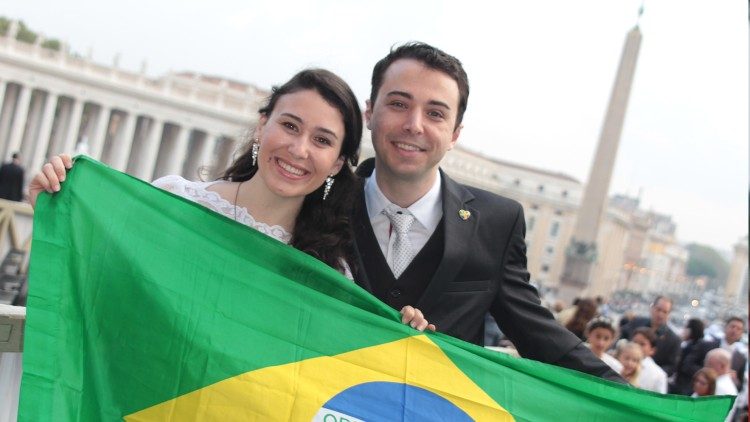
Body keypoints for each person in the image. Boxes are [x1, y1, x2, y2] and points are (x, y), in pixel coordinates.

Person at [29, 69, 433, 331]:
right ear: (262, 126)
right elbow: (98, 276)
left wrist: (400, 332)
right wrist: (54, 209)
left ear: (336, 164)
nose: (298, 149)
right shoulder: (175, 201)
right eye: (289, 126)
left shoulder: (328, 275)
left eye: (322, 140)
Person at [350, 42, 623, 383]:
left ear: (455, 134)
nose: (414, 124)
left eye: (435, 113)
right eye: (398, 104)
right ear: (369, 112)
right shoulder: (322, 202)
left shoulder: (497, 223)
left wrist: (642, 406)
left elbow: (542, 338)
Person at [620, 296, 681, 376]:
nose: (660, 314)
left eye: (665, 312)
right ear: (652, 308)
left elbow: (671, 367)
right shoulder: (636, 323)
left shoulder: (674, 340)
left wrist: (651, 373)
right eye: (658, 309)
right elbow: (620, 339)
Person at [669, 318, 713, 395]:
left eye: (686, 328)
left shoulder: (698, 346)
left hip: (686, 386)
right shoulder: (689, 344)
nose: (684, 330)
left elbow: (687, 365)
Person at [708, 316, 747, 390]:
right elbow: (688, 364)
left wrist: (734, 380)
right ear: (725, 327)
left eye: (738, 329)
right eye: (732, 326)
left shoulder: (741, 358)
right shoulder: (707, 345)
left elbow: (740, 386)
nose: (734, 330)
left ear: (741, 333)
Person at [631, 327, 668, 393]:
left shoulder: (659, 375)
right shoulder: (619, 362)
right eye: (634, 342)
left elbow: (658, 401)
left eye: (642, 344)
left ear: (652, 350)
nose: (636, 346)